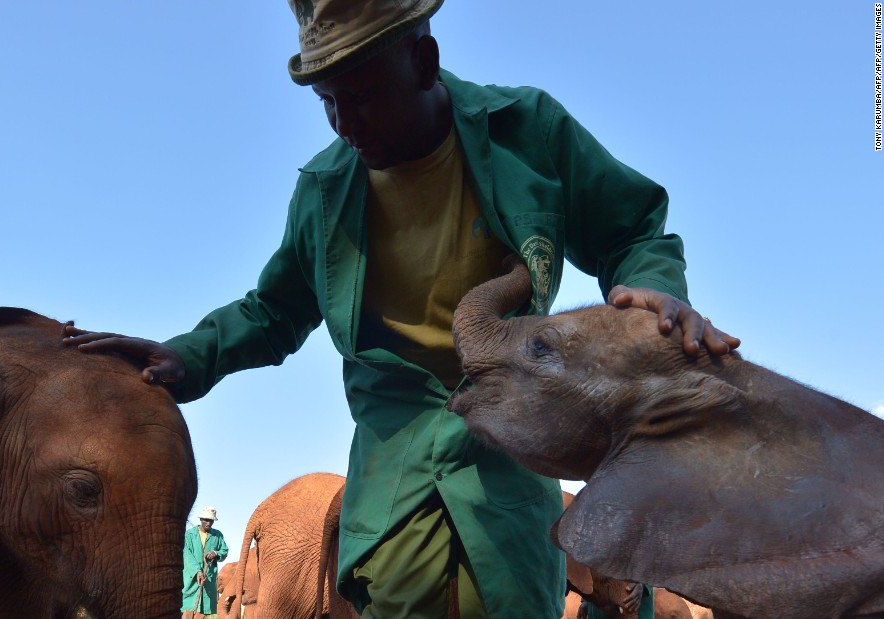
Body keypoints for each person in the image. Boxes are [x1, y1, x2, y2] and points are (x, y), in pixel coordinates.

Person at [64, 1, 740, 616]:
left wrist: (656, 286)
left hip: (507, 467)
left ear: (424, 61)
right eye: (328, 102)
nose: (345, 124)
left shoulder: (528, 134)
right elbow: (273, 309)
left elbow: (633, 229)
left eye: (361, 96)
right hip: (394, 486)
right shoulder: (326, 193)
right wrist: (190, 354)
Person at [181, 506, 229, 618]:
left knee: (202, 608)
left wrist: (215, 553)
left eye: (211, 520)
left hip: (208, 576)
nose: (208, 523)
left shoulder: (218, 535)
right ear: (200, 520)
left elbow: (224, 551)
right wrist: (197, 571)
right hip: (191, 577)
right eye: (206, 520)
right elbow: (187, 554)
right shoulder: (189, 534)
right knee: (188, 607)